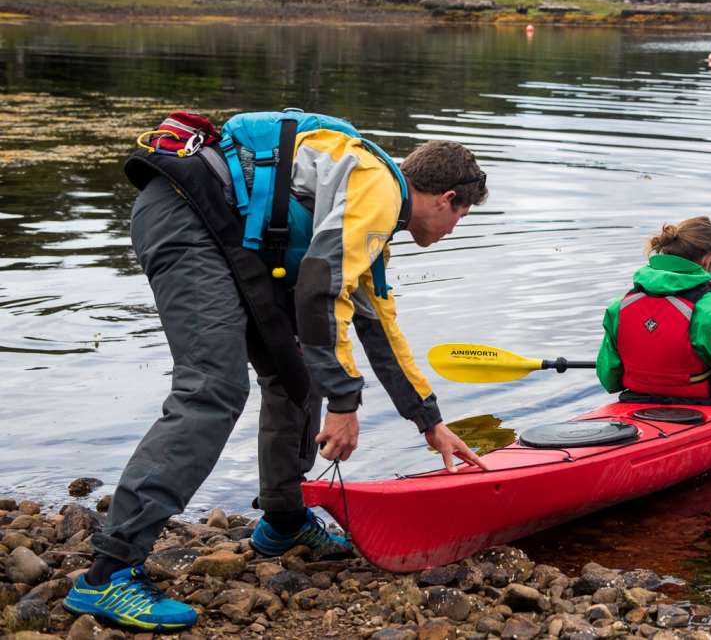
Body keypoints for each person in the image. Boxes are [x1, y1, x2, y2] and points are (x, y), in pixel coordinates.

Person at [64, 112, 488, 632]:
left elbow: (379, 327)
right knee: (213, 389)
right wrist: (344, 404)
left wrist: (429, 422)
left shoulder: (373, 216)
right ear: (447, 198)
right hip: (188, 216)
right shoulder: (377, 191)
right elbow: (318, 287)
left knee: (298, 371)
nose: (453, 230)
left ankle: (284, 521)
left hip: (225, 233)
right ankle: (108, 573)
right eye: (461, 217)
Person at [596, 216, 711, 403]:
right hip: (706, 402)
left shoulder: (619, 308)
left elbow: (609, 379)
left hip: (637, 399)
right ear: (708, 259)